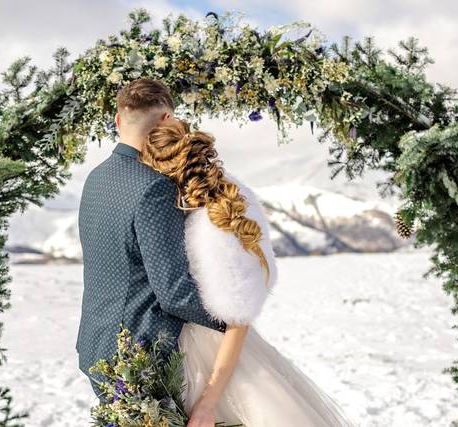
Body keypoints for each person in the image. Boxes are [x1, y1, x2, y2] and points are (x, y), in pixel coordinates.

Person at [139, 118, 357, 427]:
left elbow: (238, 318)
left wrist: (208, 401)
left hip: (215, 359)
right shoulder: (204, 205)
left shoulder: (215, 224)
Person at [75, 78, 227, 400]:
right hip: (138, 358)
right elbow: (174, 294)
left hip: (95, 346)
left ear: (118, 121)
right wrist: (228, 320)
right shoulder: (156, 188)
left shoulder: (94, 179)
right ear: (167, 121)